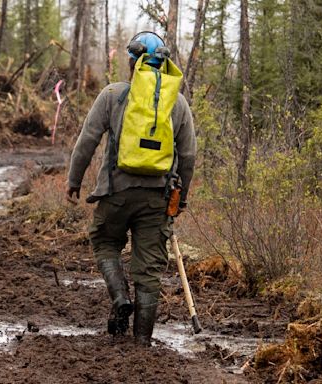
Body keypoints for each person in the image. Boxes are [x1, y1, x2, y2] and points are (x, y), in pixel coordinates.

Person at [66, 31, 197, 345]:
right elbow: (189, 155)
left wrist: (74, 179)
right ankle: (141, 342)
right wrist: (182, 198)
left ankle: (120, 296)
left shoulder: (113, 94)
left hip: (116, 194)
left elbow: (87, 140)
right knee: (149, 269)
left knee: (104, 241)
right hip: (157, 200)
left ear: (131, 62)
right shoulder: (177, 103)